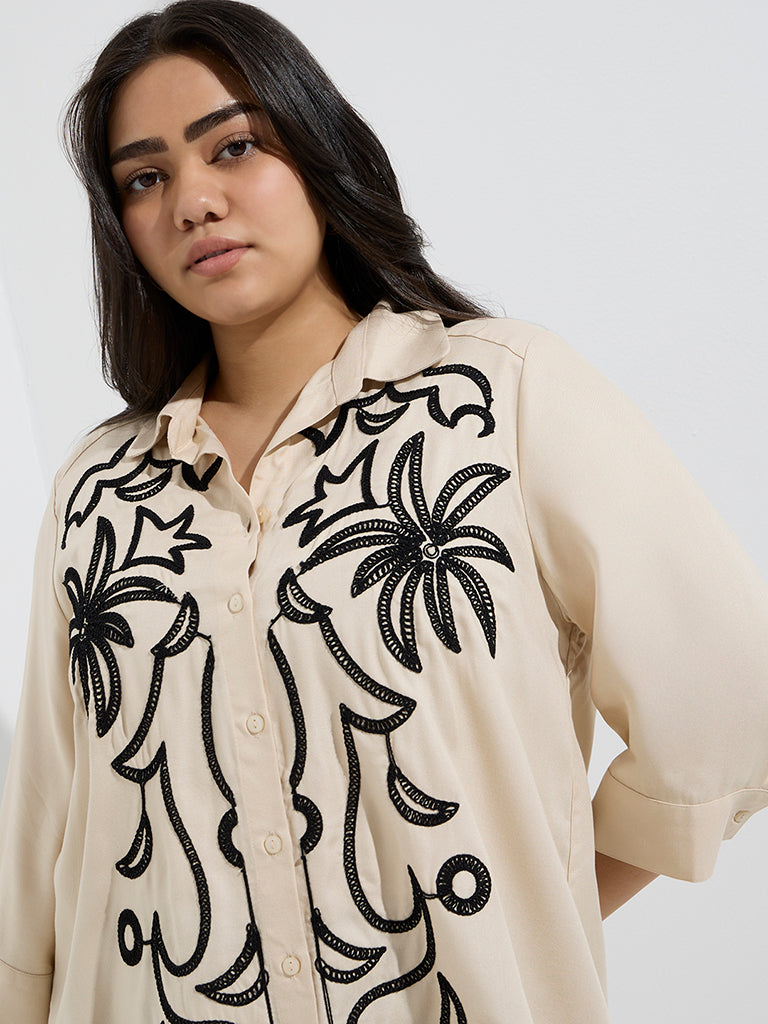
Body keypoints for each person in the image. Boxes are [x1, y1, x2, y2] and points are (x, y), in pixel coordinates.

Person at [0, 0, 766, 1021]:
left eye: (233, 147)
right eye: (145, 178)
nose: (193, 201)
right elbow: (45, 829)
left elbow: (731, 707)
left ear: (316, 148)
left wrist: (537, 916)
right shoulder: (100, 489)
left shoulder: (497, 399)